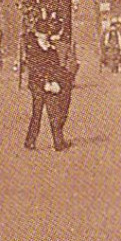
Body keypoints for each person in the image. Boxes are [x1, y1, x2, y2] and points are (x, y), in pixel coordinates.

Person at [22, 17, 70, 151]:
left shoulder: (51, 49)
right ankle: (30, 141)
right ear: (37, 34)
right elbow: (34, 70)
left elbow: (55, 68)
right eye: (43, 33)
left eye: (47, 33)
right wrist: (44, 83)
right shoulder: (33, 49)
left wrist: (55, 81)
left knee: (54, 113)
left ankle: (58, 143)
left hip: (49, 83)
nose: (45, 36)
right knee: (37, 114)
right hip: (37, 85)